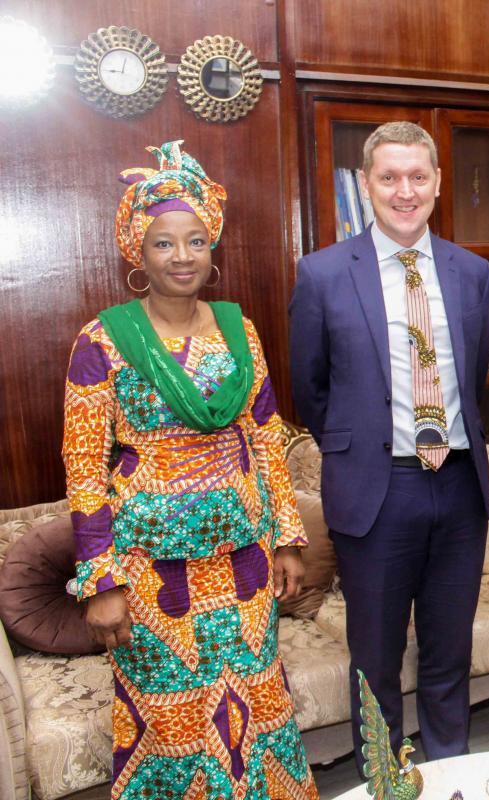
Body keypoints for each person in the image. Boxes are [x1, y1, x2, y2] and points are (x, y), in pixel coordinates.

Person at [63, 141, 318, 799]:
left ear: (213, 248)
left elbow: (267, 441)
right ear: (137, 253)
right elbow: (84, 467)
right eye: (164, 243)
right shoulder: (102, 341)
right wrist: (100, 582)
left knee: (259, 711)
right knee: (172, 725)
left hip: (244, 568)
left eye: (196, 241)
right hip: (152, 577)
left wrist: (288, 540)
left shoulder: (241, 331)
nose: (182, 256)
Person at [288, 122, 489, 765]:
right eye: (389, 177)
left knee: (449, 648)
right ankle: (383, 776)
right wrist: (361, 447)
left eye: (418, 177)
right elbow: (310, 389)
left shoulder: (472, 271)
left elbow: (471, 379)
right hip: (375, 493)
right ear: (366, 183)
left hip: (459, 486)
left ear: (437, 183)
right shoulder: (322, 273)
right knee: (375, 655)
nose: (405, 191)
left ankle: (451, 768)